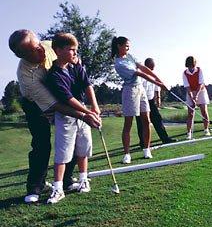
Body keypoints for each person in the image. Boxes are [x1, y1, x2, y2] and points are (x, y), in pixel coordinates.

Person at [8, 29, 101, 203]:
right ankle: (35, 187)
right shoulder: (25, 75)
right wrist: (85, 115)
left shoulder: (50, 46)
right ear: (21, 55)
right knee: (41, 144)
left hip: (62, 98)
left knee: (71, 141)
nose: (40, 50)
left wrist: (75, 60)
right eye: (32, 51)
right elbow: (54, 105)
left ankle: (66, 181)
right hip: (36, 105)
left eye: (38, 45)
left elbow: (71, 59)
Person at [45, 33, 100, 204]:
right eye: (71, 50)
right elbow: (68, 99)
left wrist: (95, 107)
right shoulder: (53, 75)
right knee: (63, 152)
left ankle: (83, 179)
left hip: (83, 111)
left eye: (76, 50)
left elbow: (87, 85)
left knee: (83, 148)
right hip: (66, 115)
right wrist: (88, 113)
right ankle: (58, 188)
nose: (75, 53)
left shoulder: (76, 66)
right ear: (58, 50)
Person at [111, 36, 166, 164]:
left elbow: (144, 68)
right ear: (119, 46)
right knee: (128, 123)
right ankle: (126, 154)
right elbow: (139, 74)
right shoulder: (118, 63)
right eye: (126, 46)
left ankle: (147, 149)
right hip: (130, 91)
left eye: (129, 46)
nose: (128, 48)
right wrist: (158, 83)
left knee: (146, 120)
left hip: (140, 89)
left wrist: (159, 80)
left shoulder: (130, 56)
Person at [136, 58, 176, 147]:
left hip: (150, 101)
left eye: (153, 68)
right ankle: (143, 143)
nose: (152, 70)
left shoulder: (153, 74)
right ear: (146, 66)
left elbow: (157, 86)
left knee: (157, 119)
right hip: (140, 101)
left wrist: (158, 98)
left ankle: (165, 139)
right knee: (141, 122)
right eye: (151, 68)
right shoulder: (140, 75)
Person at [182, 56, 211, 140]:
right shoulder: (185, 73)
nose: (191, 68)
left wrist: (196, 96)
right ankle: (189, 133)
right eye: (189, 66)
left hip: (201, 91)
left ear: (194, 64)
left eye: (192, 66)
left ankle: (206, 130)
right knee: (190, 113)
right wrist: (192, 97)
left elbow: (201, 84)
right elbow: (187, 87)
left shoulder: (199, 70)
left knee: (204, 111)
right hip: (190, 91)